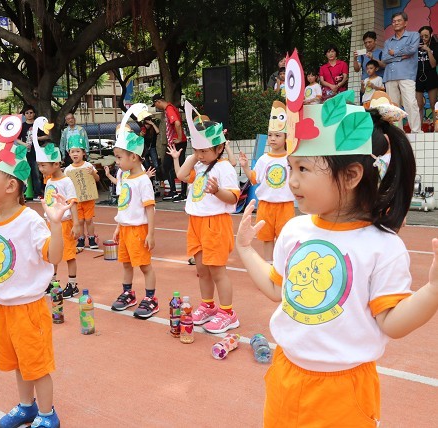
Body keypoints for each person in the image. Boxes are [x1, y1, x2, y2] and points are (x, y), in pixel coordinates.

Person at [237, 57, 438, 423]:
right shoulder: (295, 230)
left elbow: (391, 322)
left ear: (351, 176)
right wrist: (245, 250)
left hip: (344, 391)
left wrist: (433, 291)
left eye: (303, 169)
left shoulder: (382, 246)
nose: (292, 180)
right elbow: (278, 287)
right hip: (285, 376)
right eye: (291, 167)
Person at [0, 117, 68, 428]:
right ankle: (26, 407)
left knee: (37, 365)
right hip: (4, 306)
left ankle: (47, 414)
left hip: (28, 308)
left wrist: (56, 224)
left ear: (10, 185)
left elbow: (53, 256)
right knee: (19, 362)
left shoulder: (29, 220)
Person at [168, 101, 241, 333]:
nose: (200, 154)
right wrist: (193, 156)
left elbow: (233, 198)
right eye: (197, 149)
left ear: (219, 148)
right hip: (196, 223)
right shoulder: (199, 165)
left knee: (218, 270)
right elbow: (181, 175)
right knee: (202, 270)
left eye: (205, 150)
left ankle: (228, 313)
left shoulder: (224, 168)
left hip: (215, 224)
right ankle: (208, 306)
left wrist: (217, 191)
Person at [109, 104, 158, 319]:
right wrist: (118, 226)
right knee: (126, 264)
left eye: (119, 157)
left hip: (139, 230)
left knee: (145, 266)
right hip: (126, 229)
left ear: (134, 157)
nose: (117, 162)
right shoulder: (126, 178)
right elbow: (124, 206)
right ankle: (128, 293)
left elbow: (150, 208)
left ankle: (151, 299)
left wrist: (151, 233)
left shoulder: (142, 181)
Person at [239, 101, 295, 262]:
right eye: (270, 135)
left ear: (286, 137)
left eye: (277, 135)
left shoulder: (291, 158)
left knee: (285, 238)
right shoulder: (263, 159)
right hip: (265, 205)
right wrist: (245, 167)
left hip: (285, 205)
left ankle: (283, 265)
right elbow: (254, 178)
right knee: (267, 238)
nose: (273, 139)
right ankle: (269, 265)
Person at [33, 117, 82, 299]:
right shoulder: (49, 180)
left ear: (56, 164)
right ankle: (52, 281)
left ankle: (73, 284)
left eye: (43, 165)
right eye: (39, 165)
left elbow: (72, 202)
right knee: (51, 252)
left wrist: (76, 224)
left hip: (65, 223)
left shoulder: (66, 181)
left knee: (68, 254)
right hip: (51, 224)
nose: (41, 169)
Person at [382, 12, 422, 133]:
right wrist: (401, 56)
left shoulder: (414, 35)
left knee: (410, 102)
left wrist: (394, 53)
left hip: (406, 74)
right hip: (390, 76)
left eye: (399, 20)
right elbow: (385, 58)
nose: (396, 23)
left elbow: (412, 50)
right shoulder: (388, 42)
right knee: (393, 106)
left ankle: (416, 131)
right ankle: (398, 132)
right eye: (394, 21)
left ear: (405, 23)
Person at [63, 135, 100, 250]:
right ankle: (81, 238)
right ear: (69, 154)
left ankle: (91, 238)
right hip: (76, 200)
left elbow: (97, 179)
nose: (75, 154)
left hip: (88, 199)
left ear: (83, 153)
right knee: (79, 220)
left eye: (78, 151)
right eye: (72, 151)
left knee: (88, 220)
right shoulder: (68, 170)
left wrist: (92, 173)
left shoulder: (88, 166)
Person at [153, 94, 188, 202]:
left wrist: (179, 138)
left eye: (155, 104)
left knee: (175, 166)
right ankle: (174, 192)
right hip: (174, 143)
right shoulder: (170, 108)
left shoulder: (169, 109)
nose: (156, 107)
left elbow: (177, 123)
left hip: (177, 143)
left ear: (158, 102)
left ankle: (182, 193)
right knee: (167, 166)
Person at [18, 105, 44, 199]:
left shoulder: (38, 124)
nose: (29, 114)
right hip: (25, 153)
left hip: (36, 153)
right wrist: (24, 144)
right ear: (24, 115)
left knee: (36, 174)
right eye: (27, 113)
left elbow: (46, 136)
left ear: (34, 113)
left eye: (31, 112)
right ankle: (22, 194)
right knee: (24, 174)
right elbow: (16, 139)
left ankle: (38, 194)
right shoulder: (22, 126)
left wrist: (37, 138)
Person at [416, 26, 438, 125]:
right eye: (422, 36)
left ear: (431, 35)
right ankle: (418, 128)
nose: (424, 38)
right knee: (419, 105)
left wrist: (428, 50)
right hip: (418, 75)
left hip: (431, 75)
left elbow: (433, 65)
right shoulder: (416, 45)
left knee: (433, 104)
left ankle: (436, 127)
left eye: (426, 36)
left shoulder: (435, 46)